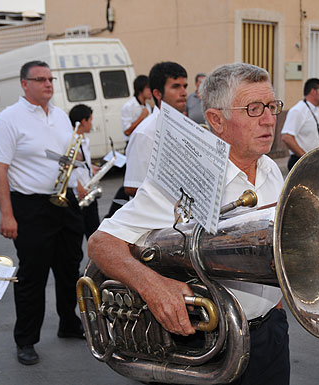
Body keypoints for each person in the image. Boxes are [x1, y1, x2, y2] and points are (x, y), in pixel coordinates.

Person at [88, 63, 289, 385]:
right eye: (253, 109)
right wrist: (153, 286)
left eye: (271, 107)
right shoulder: (187, 176)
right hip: (205, 344)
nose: (268, 119)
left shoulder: (270, 169)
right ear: (215, 120)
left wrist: (276, 309)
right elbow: (101, 243)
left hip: (270, 334)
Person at [0, 60, 85, 366]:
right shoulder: (9, 119)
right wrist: (7, 214)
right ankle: (26, 340)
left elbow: (68, 159)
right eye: (40, 79)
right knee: (33, 276)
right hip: (29, 207)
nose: (48, 84)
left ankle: (69, 323)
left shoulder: (59, 116)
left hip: (64, 202)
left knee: (70, 268)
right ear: (24, 84)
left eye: (50, 79)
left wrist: (79, 184)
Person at [123, 61, 187, 197]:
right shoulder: (145, 133)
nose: (184, 93)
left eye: (184, 86)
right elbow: (132, 186)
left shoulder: (185, 126)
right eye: (176, 87)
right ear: (158, 94)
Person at [281, 78, 319, 170]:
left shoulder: (316, 111)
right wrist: (305, 157)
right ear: (313, 91)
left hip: (315, 160)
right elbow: (287, 137)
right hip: (301, 161)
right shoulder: (298, 110)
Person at [69, 104, 100, 241]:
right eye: (90, 120)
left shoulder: (84, 140)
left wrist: (90, 167)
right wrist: (77, 185)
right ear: (83, 121)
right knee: (78, 233)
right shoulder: (71, 140)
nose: (91, 124)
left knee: (94, 232)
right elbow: (67, 166)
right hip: (79, 194)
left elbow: (80, 164)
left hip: (88, 191)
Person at [121, 75, 152, 140]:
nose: (151, 91)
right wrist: (141, 118)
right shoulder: (128, 106)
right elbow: (127, 132)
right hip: (132, 144)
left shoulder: (147, 106)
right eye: (148, 87)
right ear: (140, 89)